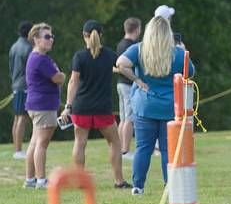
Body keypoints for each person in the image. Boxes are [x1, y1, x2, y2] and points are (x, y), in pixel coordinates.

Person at [115, 16, 195, 195]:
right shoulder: (177, 53)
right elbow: (190, 72)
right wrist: (183, 51)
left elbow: (120, 63)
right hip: (169, 106)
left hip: (144, 105)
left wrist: (137, 80)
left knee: (143, 147)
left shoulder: (139, 49)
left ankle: (138, 186)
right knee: (168, 148)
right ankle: (169, 184)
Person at [65, 21, 128, 188]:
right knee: (114, 142)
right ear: (100, 35)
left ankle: (80, 181)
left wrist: (68, 106)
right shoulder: (109, 55)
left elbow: (73, 82)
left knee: (79, 143)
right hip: (103, 108)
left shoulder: (79, 56)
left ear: (84, 35)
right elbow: (122, 67)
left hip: (81, 107)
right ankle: (119, 181)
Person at [22, 24, 64, 189]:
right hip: (43, 106)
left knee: (34, 142)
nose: (51, 39)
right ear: (36, 39)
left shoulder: (36, 57)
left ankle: (30, 180)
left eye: (52, 36)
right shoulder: (41, 59)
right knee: (42, 143)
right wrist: (62, 75)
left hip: (36, 104)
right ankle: (40, 180)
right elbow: (58, 78)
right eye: (47, 36)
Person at [115, 17, 142, 156]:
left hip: (120, 83)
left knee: (123, 118)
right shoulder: (131, 46)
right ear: (137, 29)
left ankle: (120, 149)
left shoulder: (120, 44)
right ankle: (125, 150)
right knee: (129, 119)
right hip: (128, 84)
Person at [9, 20, 33, 160]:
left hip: (15, 84)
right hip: (24, 86)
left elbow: (11, 67)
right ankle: (18, 150)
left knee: (17, 117)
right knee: (22, 118)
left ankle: (16, 149)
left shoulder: (14, 47)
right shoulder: (28, 48)